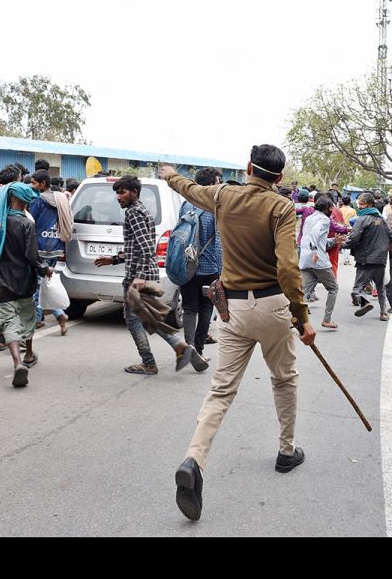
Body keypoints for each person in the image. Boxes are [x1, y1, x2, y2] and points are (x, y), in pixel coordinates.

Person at [160, 144, 315, 522]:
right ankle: (286, 450)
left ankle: (194, 459)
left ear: (248, 168)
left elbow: (188, 189)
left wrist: (169, 174)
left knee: (221, 389)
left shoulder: (222, 195)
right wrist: (302, 316)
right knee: (284, 379)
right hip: (274, 307)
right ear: (279, 178)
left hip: (232, 311)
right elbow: (288, 269)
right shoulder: (280, 208)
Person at [93, 175, 201, 375]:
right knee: (146, 317)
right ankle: (179, 346)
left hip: (138, 275)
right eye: (117, 192)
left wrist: (139, 278)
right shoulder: (141, 210)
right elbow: (136, 248)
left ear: (134, 192)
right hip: (142, 272)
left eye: (122, 192)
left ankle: (150, 362)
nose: (119, 196)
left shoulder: (134, 213)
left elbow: (145, 248)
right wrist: (114, 259)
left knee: (133, 319)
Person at [0, 182, 51, 387]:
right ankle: (28, 354)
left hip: (1, 280)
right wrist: (45, 269)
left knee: (9, 321)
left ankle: (17, 361)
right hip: (24, 280)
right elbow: (32, 256)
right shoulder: (27, 224)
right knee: (27, 316)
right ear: (23, 200)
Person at [178, 168, 224, 361]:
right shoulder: (216, 208)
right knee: (206, 308)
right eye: (218, 182)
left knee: (189, 308)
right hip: (209, 268)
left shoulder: (185, 204)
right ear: (212, 185)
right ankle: (199, 349)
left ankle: (189, 348)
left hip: (187, 266)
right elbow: (220, 242)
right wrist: (222, 270)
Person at [28, 171, 73, 334]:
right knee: (45, 283)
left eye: (34, 183)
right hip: (56, 246)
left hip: (40, 247)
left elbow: (30, 222)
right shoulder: (61, 199)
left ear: (43, 184)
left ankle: (41, 318)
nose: (32, 186)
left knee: (37, 286)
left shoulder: (38, 201)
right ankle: (56, 316)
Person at [344, 192, 392, 321]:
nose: (358, 206)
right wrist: (382, 249)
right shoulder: (381, 219)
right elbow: (391, 235)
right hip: (380, 260)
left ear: (369, 204)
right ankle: (383, 313)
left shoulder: (361, 219)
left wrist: (341, 245)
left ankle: (365, 303)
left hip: (365, 260)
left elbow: (353, 239)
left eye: (361, 204)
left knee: (357, 289)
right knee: (381, 288)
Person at [299, 195, 340, 329]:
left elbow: (315, 238)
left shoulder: (309, 218)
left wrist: (334, 241)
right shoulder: (324, 219)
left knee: (305, 292)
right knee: (333, 288)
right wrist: (315, 251)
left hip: (305, 260)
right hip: (319, 261)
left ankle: (295, 320)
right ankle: (327, 320)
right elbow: (315, 234)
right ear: (327, 208)